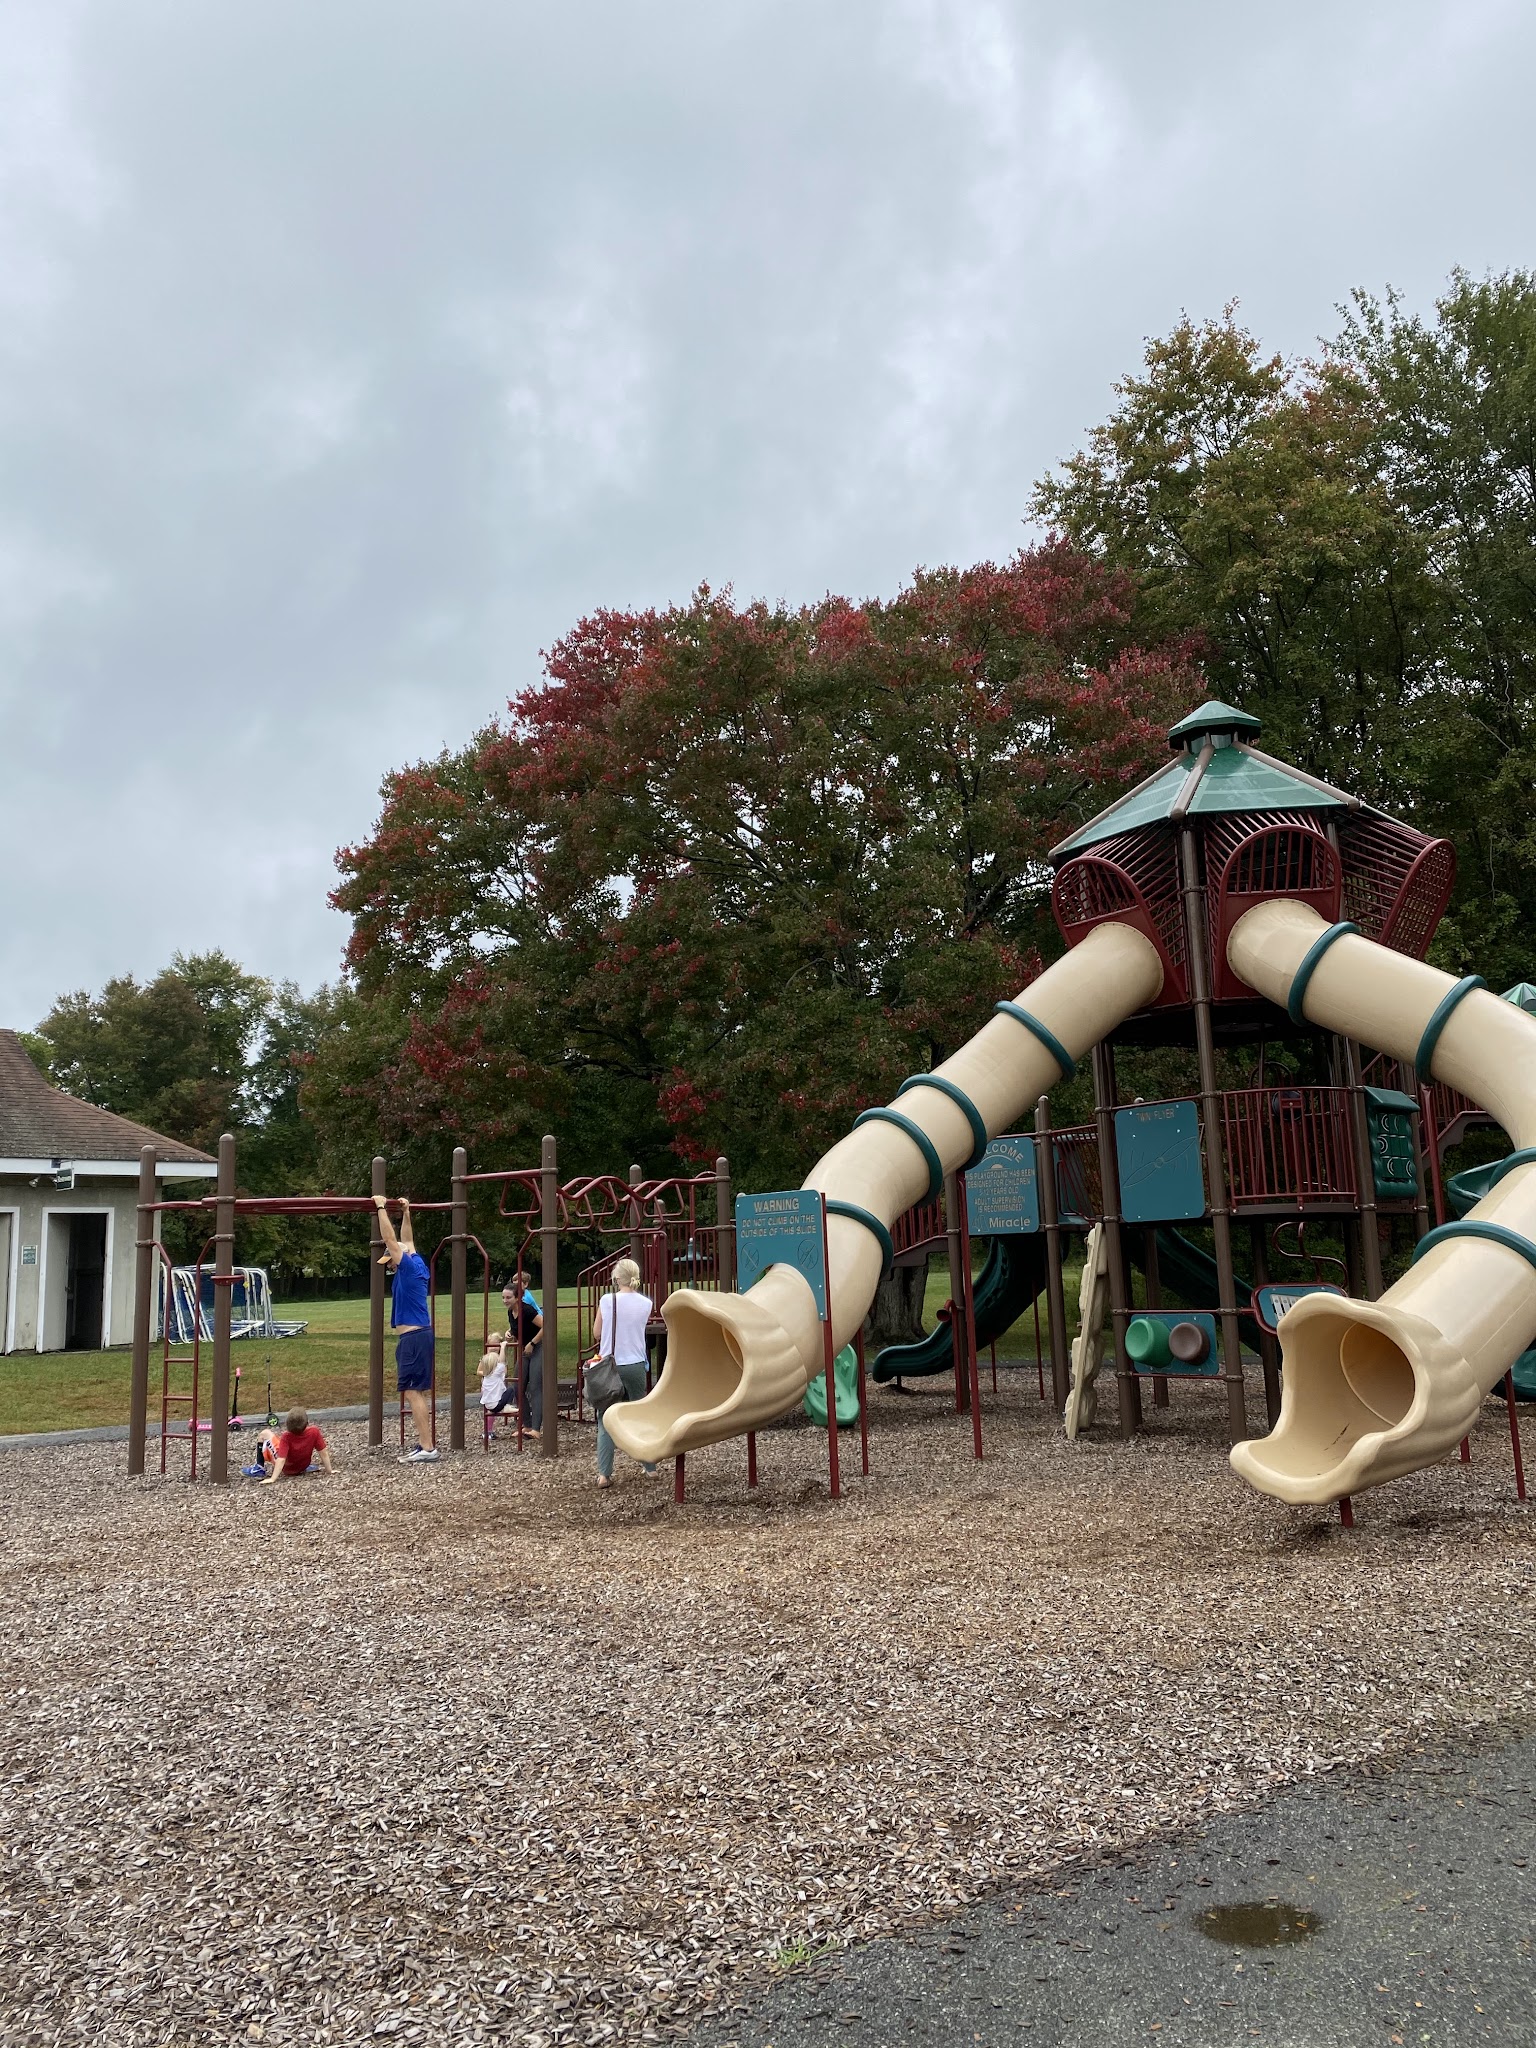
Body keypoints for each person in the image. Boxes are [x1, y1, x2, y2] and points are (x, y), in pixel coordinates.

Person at [375, 1193, 438, 1464]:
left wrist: (381, 1207)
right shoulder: (417, 1263)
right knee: (415, 1390)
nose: (388, 1265)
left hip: (414, 1337)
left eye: (389, 1261)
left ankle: (428, 1447)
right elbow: (408, 1240)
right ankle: (425, 1444)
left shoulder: (408, 1267)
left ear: (396, 1257)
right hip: (417, 1335)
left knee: (413, 1391)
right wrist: (407, 1212)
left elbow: (393, 1240)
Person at [591, 1257, 658, 1489]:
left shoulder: (607, 1300)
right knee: (638, 1414)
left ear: (616, 1278)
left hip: (611, 1364)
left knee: (605, 1419)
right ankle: (649, 1467)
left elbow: (597, 1333)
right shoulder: (645, 1303)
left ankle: (604, 1473)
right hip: (636, 1363)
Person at [502, 1274, 544, 1434]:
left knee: (535, 1386)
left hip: (538, 1346)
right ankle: (526, 1424)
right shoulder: (510, 1312)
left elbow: (546, 1326)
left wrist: (532, 1343)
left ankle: (535, 1429)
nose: (505, 1301)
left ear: (517, 1298)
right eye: (503, 1298)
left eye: (508, 1298)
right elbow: (516, 1329)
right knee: (517, 1386)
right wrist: (509, 1333)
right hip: (526, 1348)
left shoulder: (527, 1310)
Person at [260, 1407, 333, 1484]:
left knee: (265, 1433)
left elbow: (281, 1459)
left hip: (287, 1468)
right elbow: (323, 1452)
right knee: (277, 1440)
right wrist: (329, 1470)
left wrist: (273, 1479)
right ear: (307, 1422)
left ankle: (259, 1467)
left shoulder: (286, 1436)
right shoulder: (314, 1432)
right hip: (303, 1466)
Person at [477, 1332, 519, 1435]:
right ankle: (488, 1430)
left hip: (497, 1386)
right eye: (491, 1345)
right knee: (491, 1410)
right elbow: (478, 1371)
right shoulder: (486, 1359)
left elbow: (504, 1371)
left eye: (496, 1345)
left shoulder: (500, 1359)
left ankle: (489, 1431)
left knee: (493, 1410)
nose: (494, 1348)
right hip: (489, 1387)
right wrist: (488, 1373)